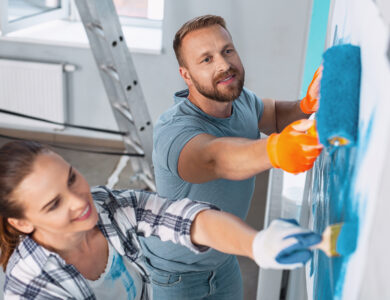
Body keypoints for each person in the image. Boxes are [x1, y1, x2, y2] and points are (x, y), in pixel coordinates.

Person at [0, 140, 320, 299]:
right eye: (54, 204)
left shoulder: (107, 207)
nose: (79, 201)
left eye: (71, 178)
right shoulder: (29, 288)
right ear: (22, 223)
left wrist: (256, 244)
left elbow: (186, 219)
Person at [145, 15, 323, 299]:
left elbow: (275, 114)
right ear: (186, 75)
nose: (224, 65)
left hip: (223, 261)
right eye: (206, 59)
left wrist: (306, 104)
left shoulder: (239, 100)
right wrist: (275, 151)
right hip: (177, 275)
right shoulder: (174, 131)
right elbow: (214, 159)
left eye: (227, 51)